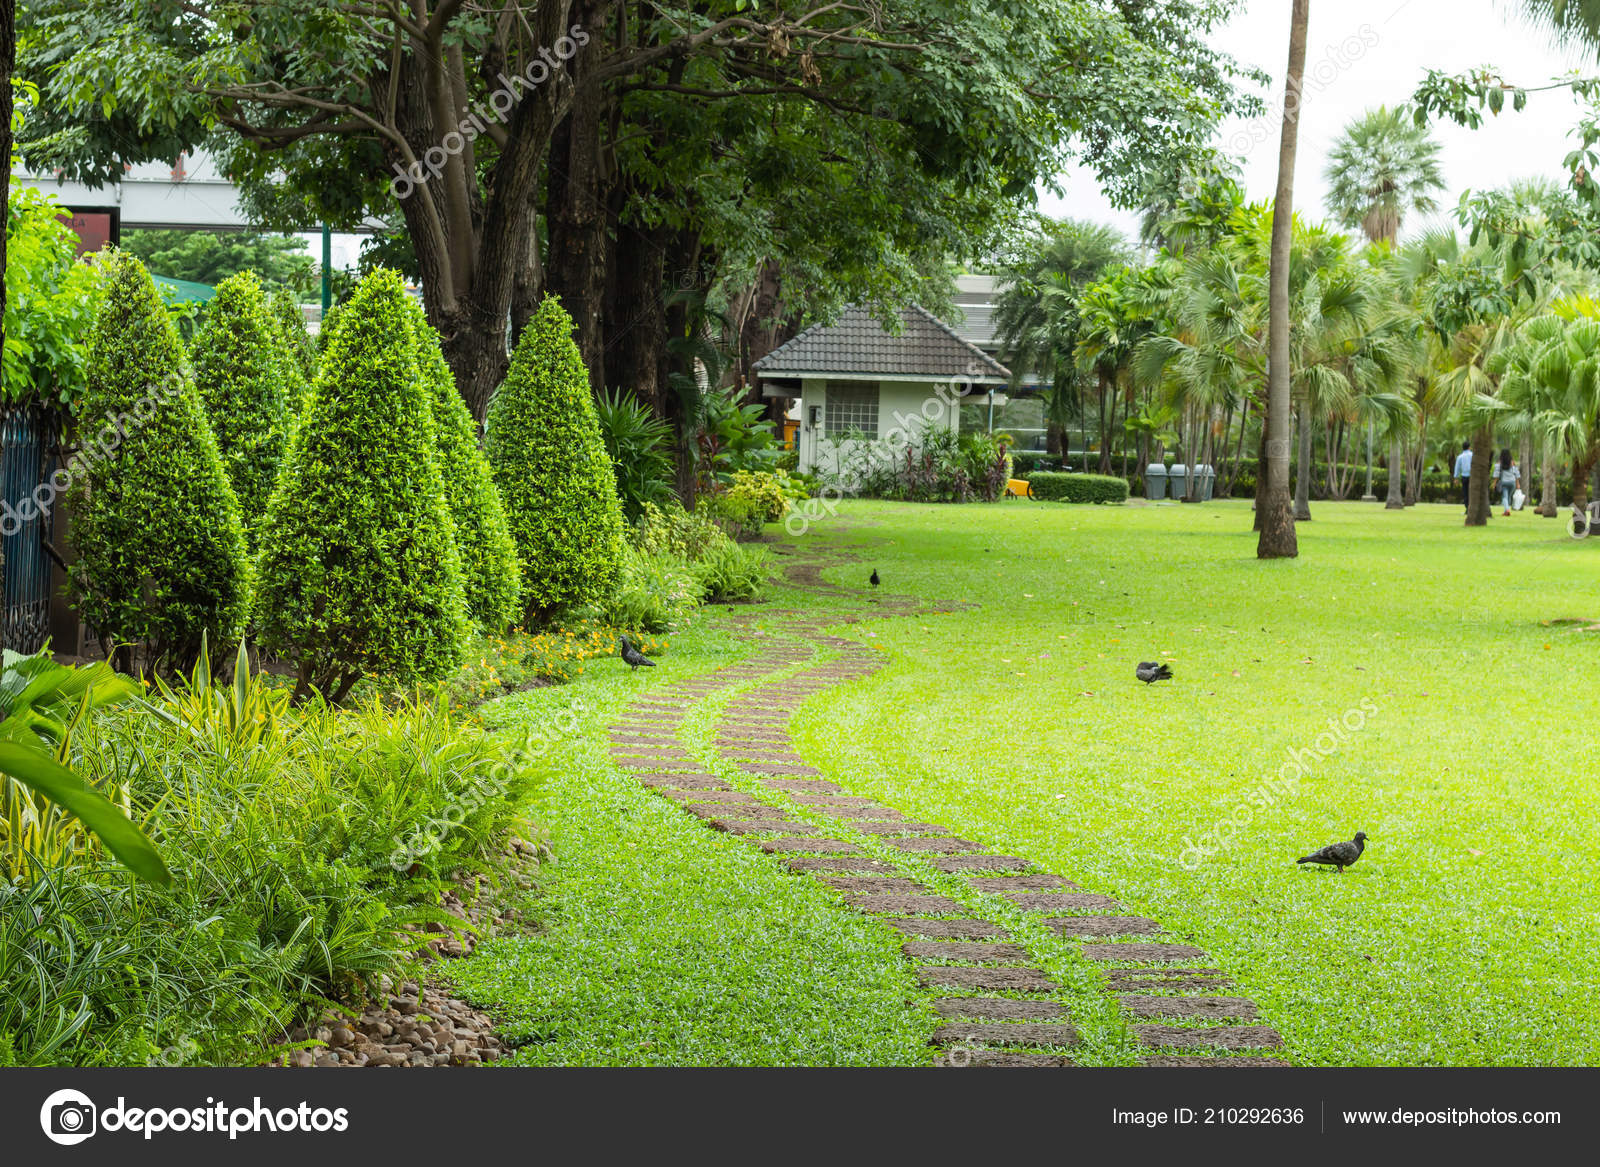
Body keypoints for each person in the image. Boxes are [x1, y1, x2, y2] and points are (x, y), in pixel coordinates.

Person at [1496, 448, 1521, 517]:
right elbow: (1516, 473)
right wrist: (1518, 483)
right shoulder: (1512, 462)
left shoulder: (1500, 462)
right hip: (1512, 482)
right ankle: (1506, 511)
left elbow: (1496, 473)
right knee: (1508, 497)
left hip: (1504, 482)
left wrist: (1494, 482)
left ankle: (1507, 510)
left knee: (1504, 497)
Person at [1452, 441, 1473, 511]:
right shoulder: (1472, 455)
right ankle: (1471, 508)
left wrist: (1456, 478)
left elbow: (1457, 468)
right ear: (1469, 447)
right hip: (1472, 477)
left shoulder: (1460, 457)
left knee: (1465, 493)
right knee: (1472, 493)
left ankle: (1467, 508)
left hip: (1464, 477)